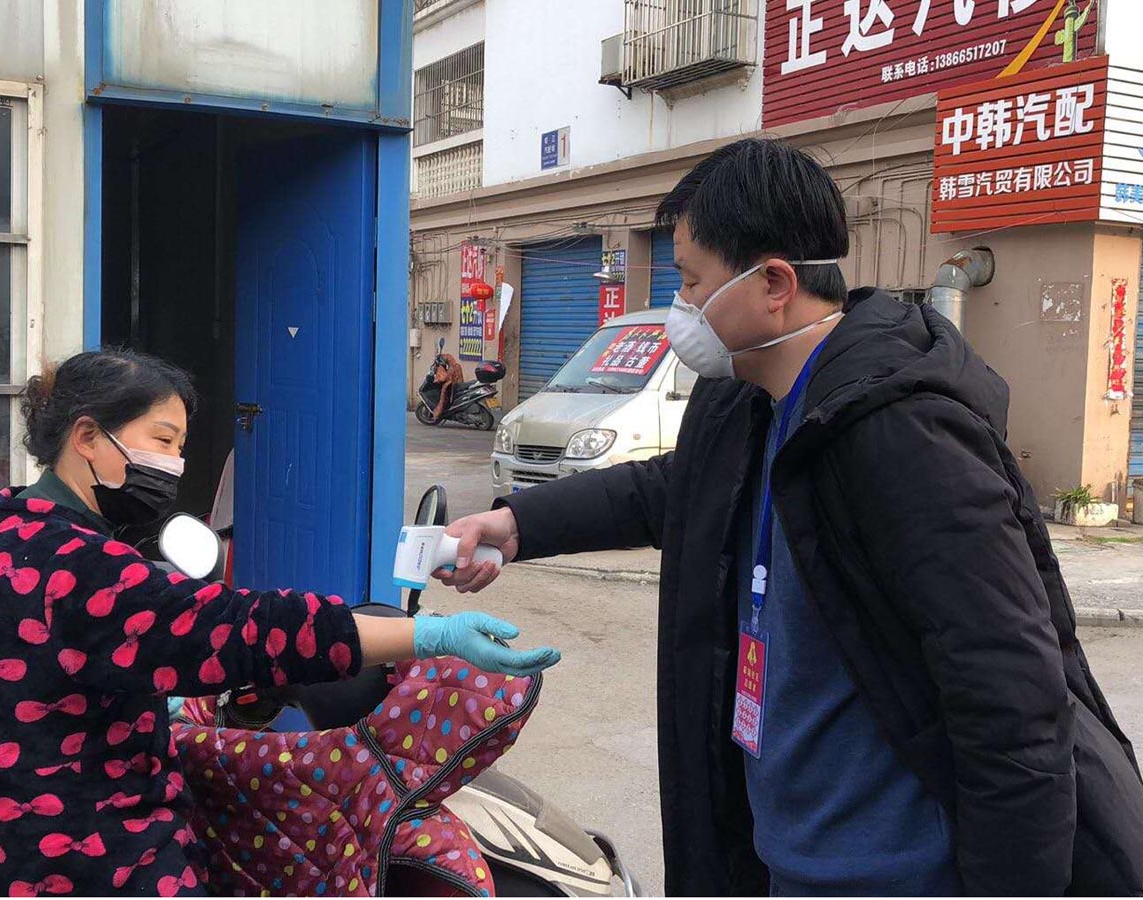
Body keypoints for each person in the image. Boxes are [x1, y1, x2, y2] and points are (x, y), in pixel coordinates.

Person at [437, 138, 1143, 895]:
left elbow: (1012, 702)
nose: (681, 307)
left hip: (898, 877)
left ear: (773, 282)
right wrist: (518, 525)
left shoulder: (901, 434)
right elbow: (671, 489)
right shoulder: (747, 399)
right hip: (784, 858)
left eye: (692, 281)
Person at [0, 348, 559, 897]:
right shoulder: (81, 564)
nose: (175, 464)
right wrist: (429, 637)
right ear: (86, 436)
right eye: (162, 441)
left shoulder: (1, 530)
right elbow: (245, 630)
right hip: (89, 861)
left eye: (180, 447)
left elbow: (58, 668)